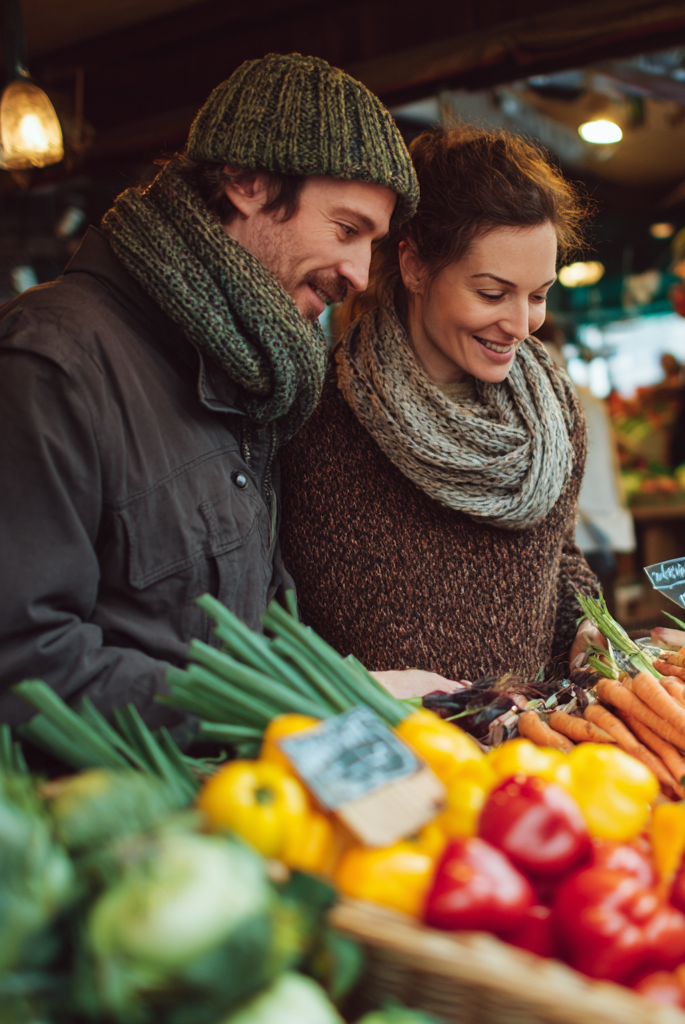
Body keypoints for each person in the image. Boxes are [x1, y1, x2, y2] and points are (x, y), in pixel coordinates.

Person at [0, 53, 455, 728]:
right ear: (245, 182)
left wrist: (352, 690)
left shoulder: (250, 373)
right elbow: (25, 665)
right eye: (346, 229)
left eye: (374, 243)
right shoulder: (52, 360)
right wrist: (289, 706)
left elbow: (246, 630)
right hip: (114, 821)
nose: (360, 273)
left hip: (240, 808)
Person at [279, 124, 602, 684]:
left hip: (531, 748)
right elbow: (280, 617)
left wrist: (586, 627)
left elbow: (558, 556)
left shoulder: (553, 417)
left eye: (539, 295)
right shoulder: (321, 416)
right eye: (492, 293)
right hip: (392, 755)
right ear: (415, 267)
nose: (521, 325)